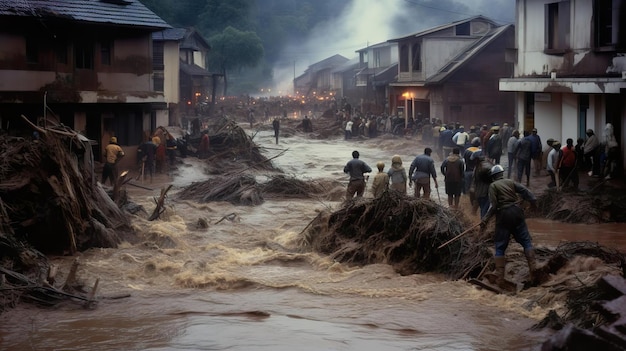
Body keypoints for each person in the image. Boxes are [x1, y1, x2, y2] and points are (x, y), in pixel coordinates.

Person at [481, 164, 540, 290]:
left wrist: (485, 219)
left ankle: (500, 277)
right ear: (502, 174)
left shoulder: (493, 186)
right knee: (526, 241)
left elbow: (494, 205)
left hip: (504, 215)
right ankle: (534, 272)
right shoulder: (511, 182)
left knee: (500, 245)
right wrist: (533, 201)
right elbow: (525, 191)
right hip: (517, 212)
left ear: (493, 177)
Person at [471, 151, 494, 218]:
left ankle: (483, 224)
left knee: (484, 210)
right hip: (484, 193)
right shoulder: (485, 166)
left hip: (482, 193)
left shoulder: (480, 167)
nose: (473, 162)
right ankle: (483, 224)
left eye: (474, 160)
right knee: (484, 210)